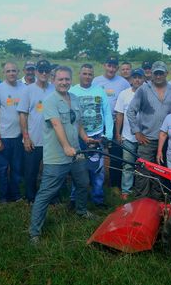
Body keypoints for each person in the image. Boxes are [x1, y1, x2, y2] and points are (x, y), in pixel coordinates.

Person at [29, 66, 97, 244]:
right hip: (57, 156)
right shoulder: (50, 100)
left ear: (71, 80)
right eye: (60, 79)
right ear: (53, 80)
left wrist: (85, 138)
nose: (64, 82)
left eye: (67, 79)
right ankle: (35, 232)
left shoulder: (74, 98)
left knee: (83, 183)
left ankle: (81, 210)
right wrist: (66, 146)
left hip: (76, 152)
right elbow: (57, 125)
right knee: (47, 192)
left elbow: (78, 123)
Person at [127, 61, 171, 199]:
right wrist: (137, 132)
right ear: (151, 74)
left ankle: (158, 198)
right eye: (156, 73)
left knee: (161, 170)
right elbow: (131, 111)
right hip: (147, 139)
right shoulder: (143, 90)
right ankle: (141, 199)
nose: (159, 76)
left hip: (167, 140)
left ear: (166, 73)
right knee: (143, 170)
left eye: (161, 73)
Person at [69, 63, 113, 208]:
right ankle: (74, 198)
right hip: (78, 137)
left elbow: (107, 112)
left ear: (93, 76)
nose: (87, 76)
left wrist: (109, 134)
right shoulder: (72, 91)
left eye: (90, 74)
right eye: (84, 73)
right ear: (79, 74)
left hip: (97, 136)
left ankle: (98, 198)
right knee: (78, 168)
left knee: (98, 169)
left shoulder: (100, 91)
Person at [18, 59, 55, 204]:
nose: (44, 73)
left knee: (50, 172)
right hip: (33, 139)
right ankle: (31, 197)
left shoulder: (54, 89)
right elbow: (22, 114)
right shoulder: (28, 90)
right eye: (41, 70)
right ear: (36, 71)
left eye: (47, 70)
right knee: (31, 172)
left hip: (51, 140)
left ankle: (50, 197)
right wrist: (26, 137)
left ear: (50, 71)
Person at [93, 56, 130, 189]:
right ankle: (95, 182)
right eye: (109, 65)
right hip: (98, 122)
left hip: (116, 122)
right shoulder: (96, 81)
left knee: (115, 153)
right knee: (96, 152)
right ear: (104, 65)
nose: (111, 69)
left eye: (114, 66)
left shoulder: (123, 82)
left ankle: (114, 184)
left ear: (117, 68)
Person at [0, 62, 25, 203]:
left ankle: (15, 194)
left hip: (19, 136)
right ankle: (3, 196)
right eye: (8, 71)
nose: (11, 73)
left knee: (17, 168)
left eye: (14, 70)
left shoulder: (24, 88)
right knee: (3, 169)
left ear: (18, 72)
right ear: (4, 72)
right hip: (4, 136)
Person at [115, 68, 145, 200]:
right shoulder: (124, 94)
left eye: (140, 77)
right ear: (131, 79)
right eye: (135, 77)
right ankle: (126, 190)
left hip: (144, 137)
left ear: (144, 79)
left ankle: (140, 190)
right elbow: (120, 115)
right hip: (128, 136)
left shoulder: (148, 93)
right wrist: (118, 133)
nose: (137, 80)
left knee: (143, 165)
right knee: (127, 164)